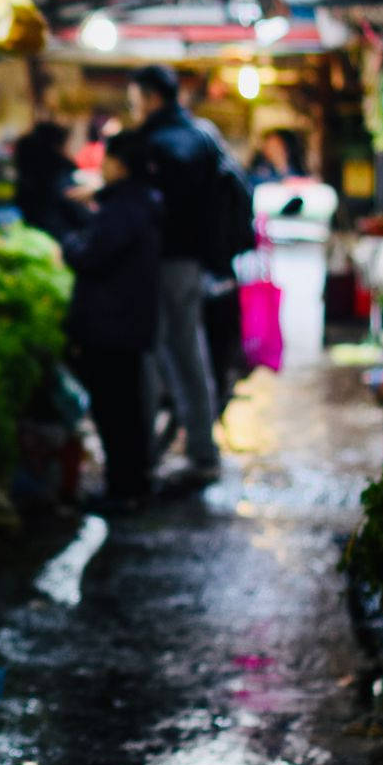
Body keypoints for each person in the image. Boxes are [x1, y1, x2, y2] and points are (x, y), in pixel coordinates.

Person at [126, 64, 225, 484]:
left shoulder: (152, 143)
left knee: (148, 355)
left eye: (135, 102)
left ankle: (143, 456)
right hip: (193, 262)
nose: (134, 110)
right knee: (188, 353)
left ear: (150, 98)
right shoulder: (202, 135)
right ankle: (202, 450)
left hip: (157, 262)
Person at [58, 132, 162, 508]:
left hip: (111, 323)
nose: (101, 166)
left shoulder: (124, 208)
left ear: (120, 164)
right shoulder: (140, 201)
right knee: (127, 409)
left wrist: (69, 244)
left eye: (107, 160)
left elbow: (90, 255)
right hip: (128, 321)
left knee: (116, 411)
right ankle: (133, 483)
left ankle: (123, 489)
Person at [14, 118, 92, 241]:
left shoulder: (27, 166)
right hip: (58, 239)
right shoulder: (60, 173)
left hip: (32, 234)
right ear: (58, 146)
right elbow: (78, 214)